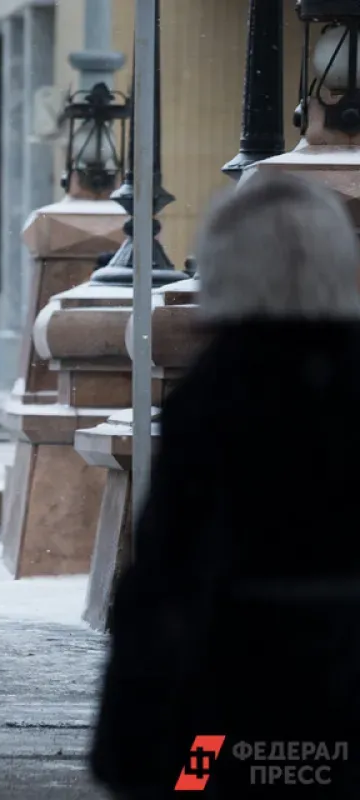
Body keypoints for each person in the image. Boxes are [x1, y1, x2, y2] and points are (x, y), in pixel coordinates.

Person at [89, 172, 360, 798]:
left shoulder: (216, 396)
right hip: (345, 696)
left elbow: (165, 573)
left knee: (194, 788)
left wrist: (131, 742)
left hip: (222, 705)